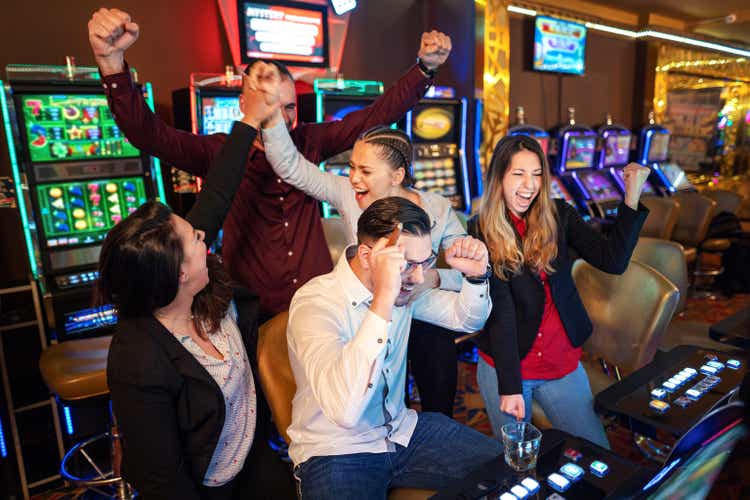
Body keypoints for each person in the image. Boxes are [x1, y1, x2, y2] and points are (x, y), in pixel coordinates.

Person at [88, 7, 452, 320]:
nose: (282, 117)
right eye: (272, 105)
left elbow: (376, 114)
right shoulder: (221, 152)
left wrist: (424, 70)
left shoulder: (309, 140)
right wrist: (113, 66)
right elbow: (148, 135)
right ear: (246, 104)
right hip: (252, 305)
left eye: (289, 107)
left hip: (318, 298)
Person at [98, 65, 295, 499]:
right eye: (193, 238)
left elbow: (219, 189)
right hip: (208, 486)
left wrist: (248, 119)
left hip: (253, 458)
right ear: (178, 274)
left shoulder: (195, 283)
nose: (202, 233)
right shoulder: (139, 360)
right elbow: (163, 483)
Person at [286, 197, 502, 498]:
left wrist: (477, 277)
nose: (418, 277)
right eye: (406, 265)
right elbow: (345, 413)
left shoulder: (406, 287)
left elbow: (466, 320)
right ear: (366, 256)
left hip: (404, 431)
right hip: (336, 450)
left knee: (511, 470)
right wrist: (383, 300)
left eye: (425, 262)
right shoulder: (316, 303)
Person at [259, 101, 465, 414]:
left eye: (365, 170)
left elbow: (468, 270)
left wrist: (435, 278)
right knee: (380, 399)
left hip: (418, 309)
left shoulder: (436, 207)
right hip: (368, 313)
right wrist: (271, 118)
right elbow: (292, 168)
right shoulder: (347, 193)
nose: (354, 177)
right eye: (352, 167)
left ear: (396, 175)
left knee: (438, 388)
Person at [469, 135, 651, 448]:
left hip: (561, 361)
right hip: (508, 363)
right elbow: (502, 312)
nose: (529, 185)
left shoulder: (560, 214)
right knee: (517, 461)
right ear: (498, 177)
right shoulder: (480, 229)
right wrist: (510, 386)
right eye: (518, 174)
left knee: (597, 453)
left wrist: (631, 195)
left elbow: (613, 260)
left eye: (537, 174)